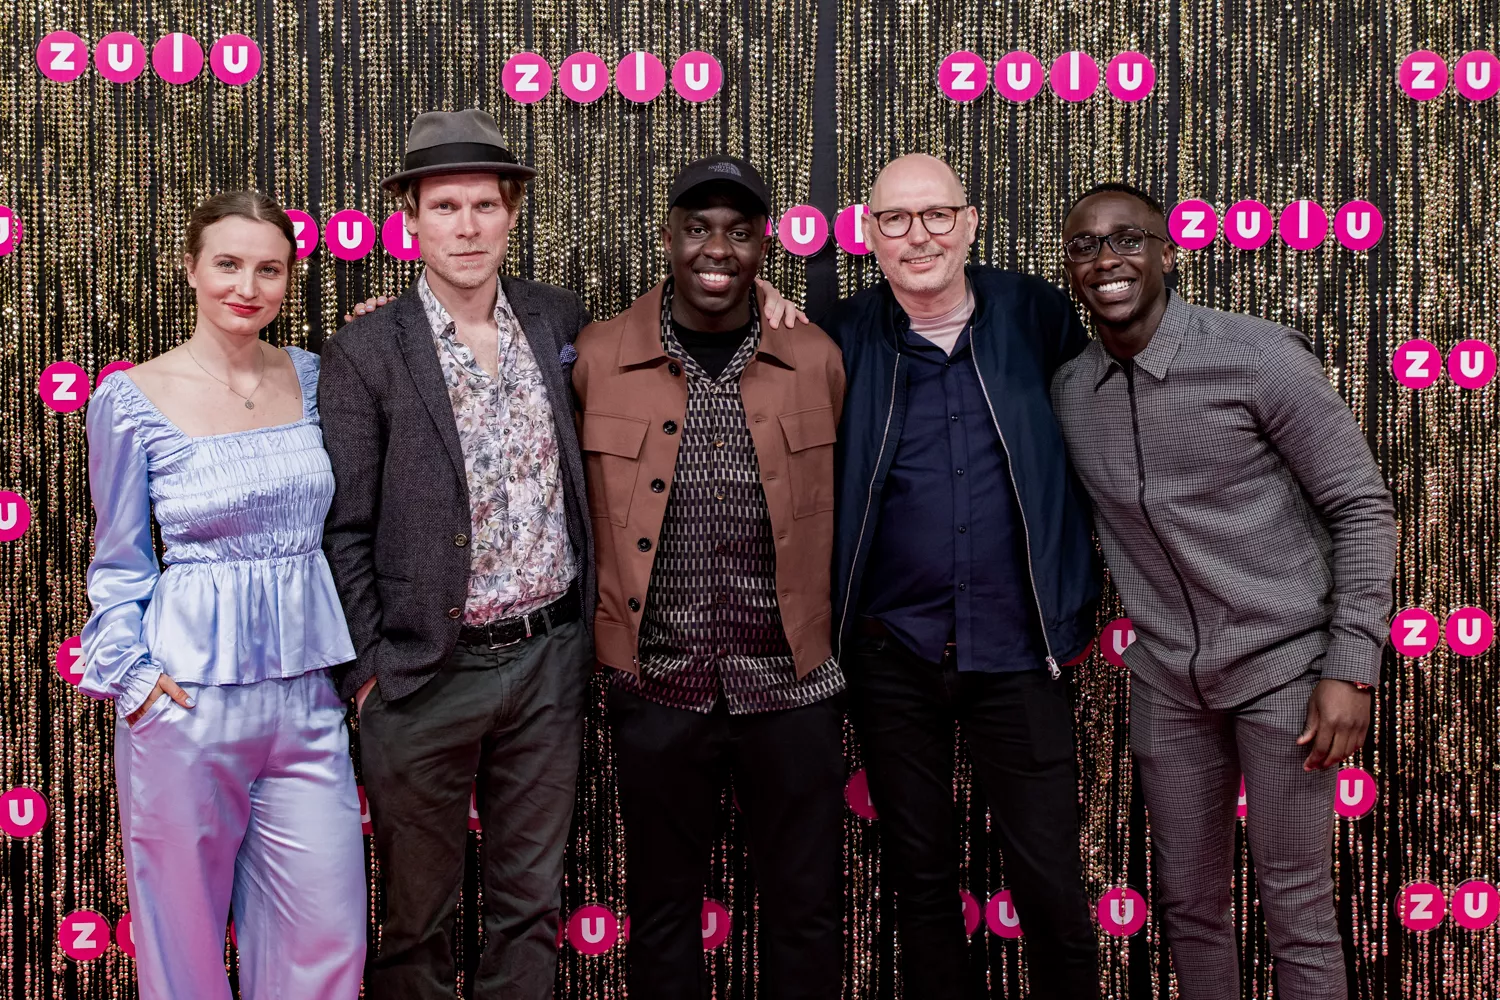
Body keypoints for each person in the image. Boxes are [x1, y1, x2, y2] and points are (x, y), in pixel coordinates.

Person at [1051, 182, 1397, 999]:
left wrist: (1352, 667)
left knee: (1297, 908)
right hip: (1168, 683)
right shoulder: (1070, 391)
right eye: (1085, 246)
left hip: (1285, 671)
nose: (1107, 260)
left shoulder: (1257, 356)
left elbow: (1361, 506)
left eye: (1128, 239)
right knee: (1189, 905)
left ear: (1167, 253)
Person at [317, 109, 597, 1000]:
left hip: (550, 658)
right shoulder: (367, 348)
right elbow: (343, 527)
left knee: (530, 906)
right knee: (416, 921)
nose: (467, 227)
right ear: (410, 220)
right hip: (424, 671)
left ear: (512, 211)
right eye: (445, 207)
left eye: (484, 205)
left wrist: (771, 294)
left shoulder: (558, 318)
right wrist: (371, 671)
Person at [817, 154, 1102, 999]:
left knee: (1050, 880)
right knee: (921, 881)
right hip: (892, 653)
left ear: (970, 223)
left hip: (1019, 648)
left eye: (938, 215)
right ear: (870, 236)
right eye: (896, 220)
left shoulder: (1037, 314)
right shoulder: (836, 336)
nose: (920, 237)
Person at [80, 190, 366, 1000]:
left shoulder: (316, 377)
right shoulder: (130, 398)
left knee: (329, 942)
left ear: (289, 280)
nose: (247, 286)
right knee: (183, 952)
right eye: (229, 264)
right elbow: (119, 560)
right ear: (191, 269)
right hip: (185, 705)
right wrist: (136, 681)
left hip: (308, 703)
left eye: (269, 269)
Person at [572, 156, 846, 1000]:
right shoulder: (597, 353)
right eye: (697, 229)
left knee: (804, 909)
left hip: (792, 687)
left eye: (738, 231)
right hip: (658, 684)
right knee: (661, 910)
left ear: (765, 245)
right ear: (668, 237)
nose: (717, 249)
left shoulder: (816, 355)